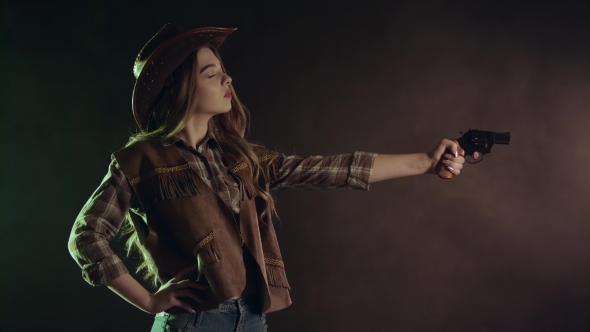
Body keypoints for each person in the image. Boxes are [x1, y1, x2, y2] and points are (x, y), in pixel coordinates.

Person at [68, 23, 480, 332]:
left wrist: (426, 161)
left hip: (251, 318)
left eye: (222, 69)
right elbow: (87, 236)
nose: (228, 79)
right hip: (194, 323)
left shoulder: (239, 156)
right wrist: (148, 301)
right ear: (180, 89)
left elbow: (330, 170)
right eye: (212, 74)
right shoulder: (139, 161)